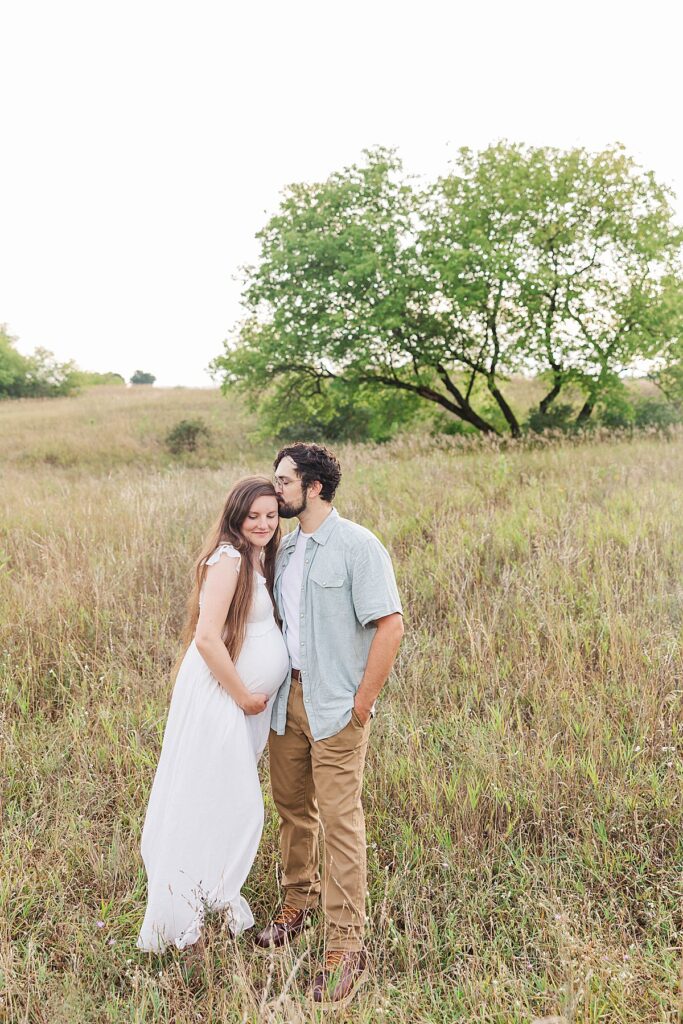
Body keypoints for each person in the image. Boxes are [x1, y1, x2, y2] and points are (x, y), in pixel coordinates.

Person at [254, 442, 404, 1010]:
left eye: (284, 481)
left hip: (337, 706)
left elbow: (390, 627)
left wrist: (361, 704)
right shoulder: (287, 551)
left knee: (341, 821)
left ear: (313, 487)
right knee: (293, 808)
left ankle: (345, 947)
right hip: (286, 701)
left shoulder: (358, 546)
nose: (276, 489)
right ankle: (298, 904)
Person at [137, 476, 290, 953]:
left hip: (241, 705)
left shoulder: (256, 556)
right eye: (254, 516)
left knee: (220, 799)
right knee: (213, 800)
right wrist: (244, 695)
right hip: (221, 699)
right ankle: (181, 917)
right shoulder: (227, 558)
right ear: (235, 516)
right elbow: (205, 638)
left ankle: (209, 895)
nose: (264, 524)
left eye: (271, 514)